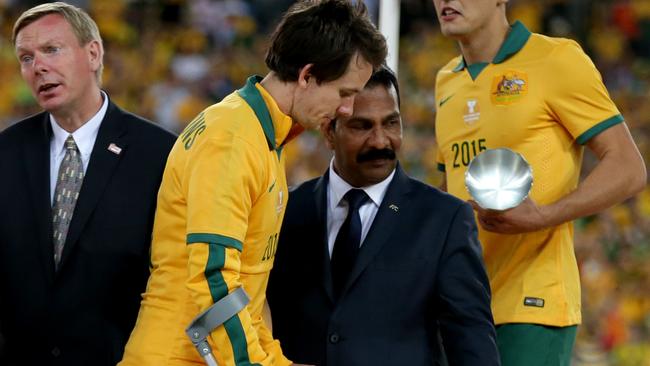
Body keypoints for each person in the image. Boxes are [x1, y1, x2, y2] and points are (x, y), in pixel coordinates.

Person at [119, 1, 387, 365]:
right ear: (307, 75)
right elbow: (215, 279)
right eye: (344, 93)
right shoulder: (233, 139)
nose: (347, 109)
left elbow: (249, 288)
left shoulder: (260, 136)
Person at [432, 0, 648, 365]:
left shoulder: (556, 59)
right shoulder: (445, 81)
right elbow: (451, 184)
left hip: (533, 305)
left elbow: (629, 167)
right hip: (463, 305)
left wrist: (546, 215)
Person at [267, 66, 499, 366]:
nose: (380, 141)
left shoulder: (445, 219)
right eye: (361, 126)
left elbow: (472, 339)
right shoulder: (285, 210)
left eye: (391, 123)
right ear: (328, 131)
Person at [0, 2, 176, 365]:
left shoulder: (161, 153)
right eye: (26, 58)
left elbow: (171, 278)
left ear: (93, 53)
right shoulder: (5, 152)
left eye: (51, 49)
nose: (38, 67)